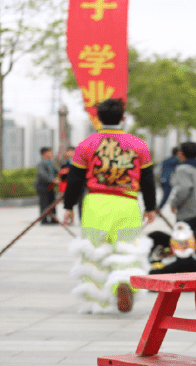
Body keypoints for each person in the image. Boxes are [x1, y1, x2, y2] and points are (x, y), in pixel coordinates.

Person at [61, 98, 157, 313]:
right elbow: (148, 179)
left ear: (97, 118)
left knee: (94, 254)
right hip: (128, 203)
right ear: (123, 118)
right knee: (127, 251)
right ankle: (123, 282)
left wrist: (68, 207)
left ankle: (98, 303)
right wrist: (151, 207)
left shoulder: (86, 144)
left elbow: (75, 179)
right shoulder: (139, 144)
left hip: (96, 203)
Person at [58, 146, 85, 222]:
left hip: (80, 185)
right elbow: (62, 176)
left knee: (81, 202)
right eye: (68, 151)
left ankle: (81, 218)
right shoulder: (64, 163)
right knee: (70, 202)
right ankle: (70, 217)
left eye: (72, 151)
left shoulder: (81, 162)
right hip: (68, 185)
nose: (70, 153)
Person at [34, 147, 59, 224]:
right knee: (44, 203)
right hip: (43, 187)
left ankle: (53, 218)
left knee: (52, 202)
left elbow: (56, 172)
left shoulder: (51, 163)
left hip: (50, 187)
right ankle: (44, 219)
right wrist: (52, 179)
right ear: (44, 154)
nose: (51, 154)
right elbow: (42, 174)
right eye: (49, 152)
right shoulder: (41, 164)